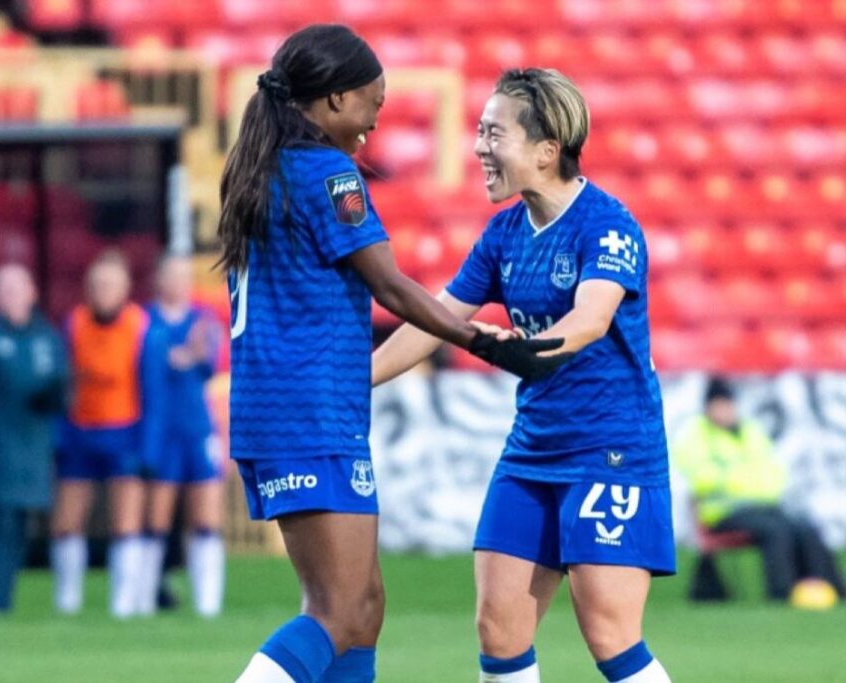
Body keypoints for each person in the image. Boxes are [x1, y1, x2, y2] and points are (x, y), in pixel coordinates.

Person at [221, 25, 568, 683]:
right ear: (331, 100)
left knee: (365, 609)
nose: (372, 125)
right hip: (308, 411)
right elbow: (389, 284)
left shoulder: (263, 167)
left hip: (287, 407)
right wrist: (481, 340)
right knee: (337, 609)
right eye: (369, 105)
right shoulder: (325, 172)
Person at [373, 68, 674, 683]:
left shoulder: (608, 226)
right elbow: (438, 319)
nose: (480, 147)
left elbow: (590, 320)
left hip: (608, 450)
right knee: (498, 629)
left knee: (610, 636)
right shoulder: (504, 232)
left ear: (545, 150)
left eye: (493, 134)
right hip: (532, 451)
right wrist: (352, 384)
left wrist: (525, 351)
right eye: (479, 132)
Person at [50, 250, 164, 618]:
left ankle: (123, 605)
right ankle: (67, 602)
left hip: (125, 433)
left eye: (110, 284)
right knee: (67, 523)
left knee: (125, 524)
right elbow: (65, 384)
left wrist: (148, 448)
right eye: (97, 284)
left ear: (125, 288)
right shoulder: (75, 324)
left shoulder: (140, 327)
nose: (103, 291)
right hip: (81, 433)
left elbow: (152, 392)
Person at [673, 376, 846, 603]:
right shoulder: (695, 436)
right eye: (719, 405)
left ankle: (829, 588)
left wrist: (747, 483)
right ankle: (781, 593)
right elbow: (700, 476)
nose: (725, 411)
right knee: (776, 531)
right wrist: (742, 483)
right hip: (722, 512)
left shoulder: (751, 432)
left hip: (764, 506)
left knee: (806, 528)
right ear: (708, 408)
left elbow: (773, 471)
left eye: (728, 405)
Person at [0, 264, 68, 614]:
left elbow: (61, 389)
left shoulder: (46, 337)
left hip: (33, 443)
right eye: (4, 289)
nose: (12, 296)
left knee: (20, 522)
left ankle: (2, 601)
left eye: (18, 288)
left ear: (32, 293)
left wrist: (54, 394)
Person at [137, 254, 226, 617]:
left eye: (183, 276)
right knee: (155, 519)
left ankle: (209, 605)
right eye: (170, 276)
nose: (178, 283)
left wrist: (192, 355)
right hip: (160, 431)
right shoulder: (144, 322)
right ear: (158, 280)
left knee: (206, 519)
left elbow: (209, 362)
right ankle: (139, 601)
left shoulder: (203, 323)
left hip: (197, 429)